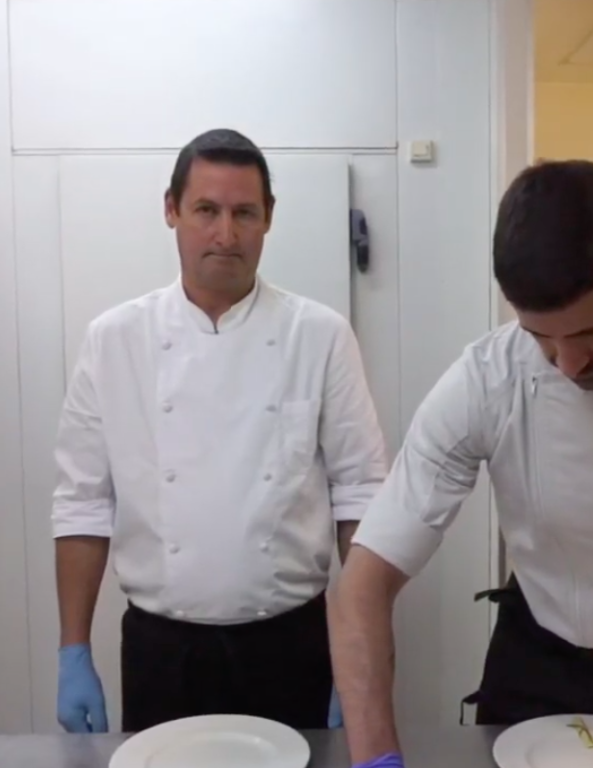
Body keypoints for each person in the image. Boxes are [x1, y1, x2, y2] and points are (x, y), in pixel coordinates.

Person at [329, 160, 593, 768]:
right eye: (540, 337)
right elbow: (364, 583)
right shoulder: (487, 378)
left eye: (590, 331)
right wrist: (376, 760)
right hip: (536, 663)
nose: (567, 364)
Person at [53, 128, 387, 734]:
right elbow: (82, 504)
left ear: (268, 218)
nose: (226, 235)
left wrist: (358, 648)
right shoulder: (114, 340)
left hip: (293, 645)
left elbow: (361, 493)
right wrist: (72, 648)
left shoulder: (319, 335)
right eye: (206, 210)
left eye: (244, 214)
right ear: (172, 210)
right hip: (162, 651)